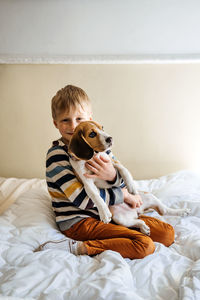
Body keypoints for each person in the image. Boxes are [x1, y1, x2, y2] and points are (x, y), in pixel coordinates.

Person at [35, 84, 174, 259]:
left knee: (166, 234)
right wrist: (123, 196)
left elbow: (122, 181)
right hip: (79, 222)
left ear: (90, 120)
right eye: (65, 120)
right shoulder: (57, 155)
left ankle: (122, 231)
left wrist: (112, 176)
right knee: (143, 245)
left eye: (79, 119)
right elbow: (81, 200)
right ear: (56, 123)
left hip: (109, 214)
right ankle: (77, 247)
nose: (73, 126)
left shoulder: (100, 145)